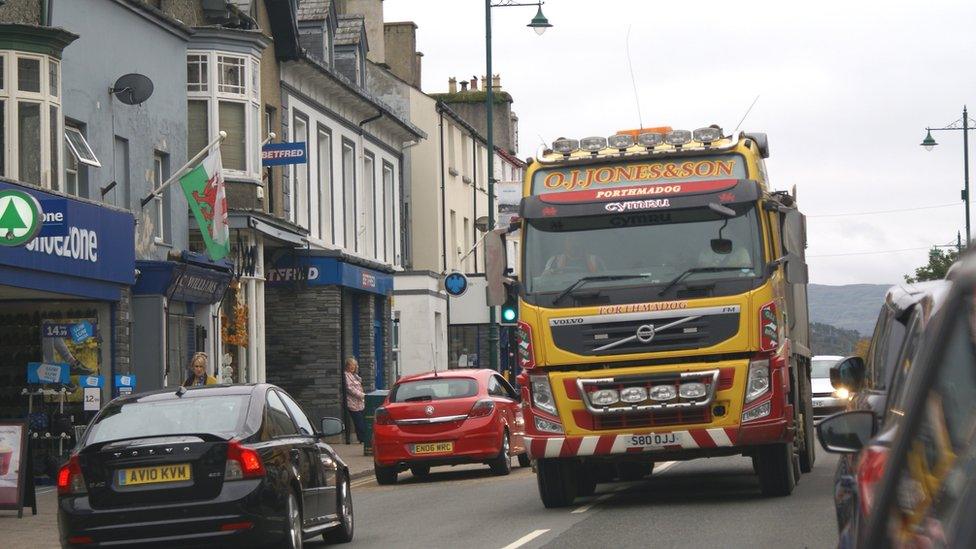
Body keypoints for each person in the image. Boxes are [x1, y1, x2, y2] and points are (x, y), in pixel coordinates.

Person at [344, 357, 367, 444]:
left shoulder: (355, 375)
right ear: (347, 366)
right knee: (359, 421)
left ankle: (362, 438)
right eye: (351, 365)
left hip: (360, 403)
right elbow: (350, 388)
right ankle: (362, 438)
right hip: (352, 402)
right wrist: (362, 395)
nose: (353, 367)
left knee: (362, 420)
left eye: (354, 365)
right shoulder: (346, 375)